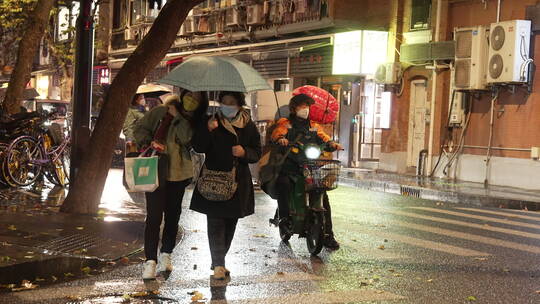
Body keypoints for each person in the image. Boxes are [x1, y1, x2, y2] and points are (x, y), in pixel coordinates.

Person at [134, 90, 208, 280]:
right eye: (189, 95)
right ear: (183, 95)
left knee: (173, 216)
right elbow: (140, 128)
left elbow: (187, 140)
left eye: (197, 99)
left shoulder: (195, 121)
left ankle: (166, 254)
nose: (192, 100)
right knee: (153, 217)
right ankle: (150, 261)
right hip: (155, 170)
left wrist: (179, 118)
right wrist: (148, 141)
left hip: (179, 173)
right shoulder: (160, 111)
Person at [190, 91, 261, 280]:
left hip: (238, 182)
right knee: (215, 223)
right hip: (213, 180)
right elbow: (198, 147)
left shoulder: (248, 125)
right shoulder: (211, 121)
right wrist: (207, 129)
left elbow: (257, 152)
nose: (227, 105)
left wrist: (244, 152)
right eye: (224, 102)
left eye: (231, 102)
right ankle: (219, 264)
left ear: (239, 104)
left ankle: (218, 260)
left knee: (230, 224)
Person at [271, 93, 342, 250]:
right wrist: (281, 139)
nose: (305, 109)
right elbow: (277, 133)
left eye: (307, 106)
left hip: (311, 166)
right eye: (302, 106)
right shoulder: (285, 123)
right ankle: (284, 219)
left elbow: (324, 137)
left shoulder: (314, 126)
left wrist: (332, 143)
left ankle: (328, 235)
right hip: (291, 167)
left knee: (323, 196)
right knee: (284, 184)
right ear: (293, 108)